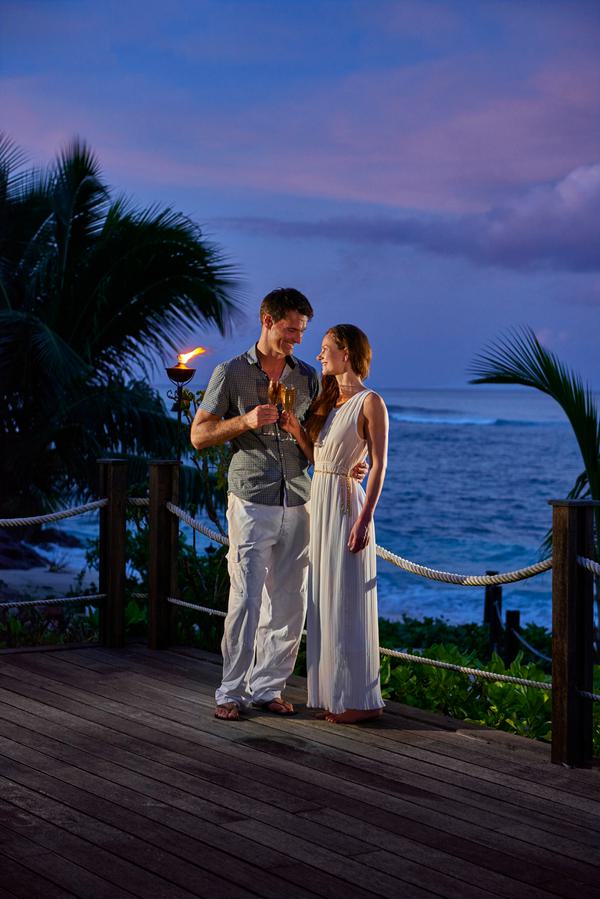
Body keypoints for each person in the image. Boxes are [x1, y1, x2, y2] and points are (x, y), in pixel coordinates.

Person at [281, 324, 388, 723]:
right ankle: (334, 694)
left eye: (326, 349)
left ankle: (359, 700)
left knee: (347, 598)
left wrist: (364, 519)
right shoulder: (329, 400)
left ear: (347, 353)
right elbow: (319, 461)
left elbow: (379, 466)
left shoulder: (370, 402)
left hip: (345, 506)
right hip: (319, 501)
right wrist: (297, 431)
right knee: (324, 599)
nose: (320, 355)